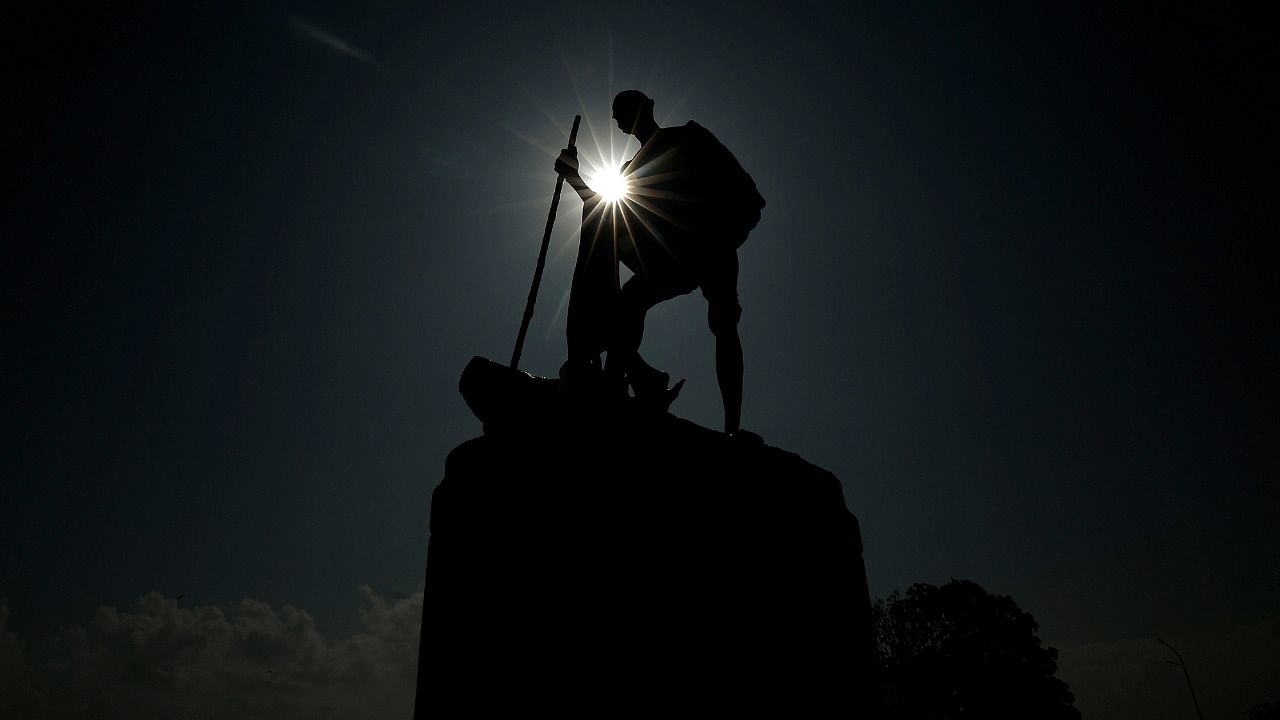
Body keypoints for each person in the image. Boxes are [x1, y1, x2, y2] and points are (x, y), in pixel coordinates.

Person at [556, 90, 763, 436]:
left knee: (724, 322)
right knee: (629, 301)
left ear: (647, 108)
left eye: (626, 111)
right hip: (669, 258)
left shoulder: (689, 137)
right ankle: (626, 382)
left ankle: (732, 429)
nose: (622, 121)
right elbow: (604, 209)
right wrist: (574, 177)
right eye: (618, 115)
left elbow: (745, 192)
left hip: (710, 243)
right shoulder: (628, 172)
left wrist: (724, 235)